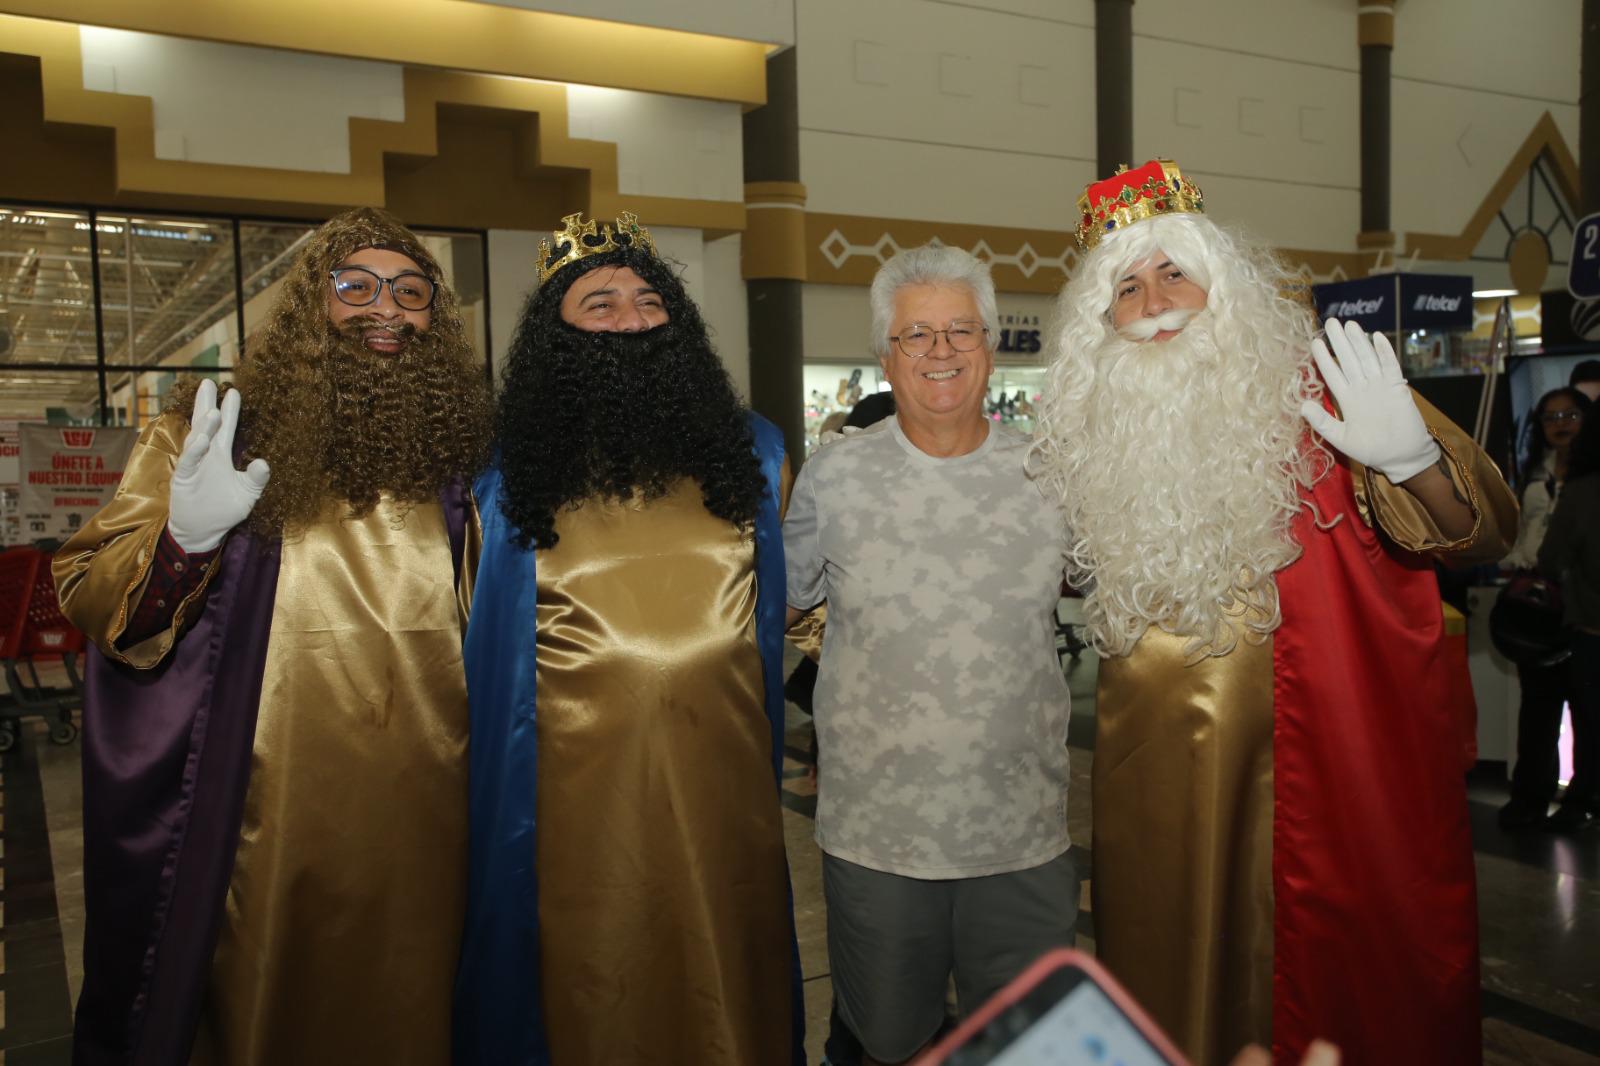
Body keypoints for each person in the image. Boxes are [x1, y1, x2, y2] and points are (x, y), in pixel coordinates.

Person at [1028, 160, 1518, 1066]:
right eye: (1126, 288)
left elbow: (1477, 534)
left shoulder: (1323, 400)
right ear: (1103, 322)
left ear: (1225, 287)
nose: (1155, 303)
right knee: (1168, 981)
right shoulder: (1094, 445)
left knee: (1337, 998)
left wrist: (1411, 463)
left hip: (1325, 781)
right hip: (1154, 780)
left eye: (1174, 272)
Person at [54, 208, 494, 1065]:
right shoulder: (211, 431)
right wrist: (184, 539)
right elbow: (90, 588)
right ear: (308, 307)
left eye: (411, 292)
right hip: (266, 806)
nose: (387, 309)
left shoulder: (466, 456)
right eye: (355, 286)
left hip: (433, 801)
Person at [453, 212, 803, 1065]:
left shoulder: (752, 457)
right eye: (599, 302)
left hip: (723, 790)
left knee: (723, 968)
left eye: (650, 300)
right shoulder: (501, 480)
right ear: (555, 334)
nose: (631, 319)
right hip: (569, 807)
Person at [784, 245, 1076, 1066]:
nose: (940, 351)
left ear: (990, 345)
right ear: (885, 354)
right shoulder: (834, 477)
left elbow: (1134, 592)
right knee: (886, 1042)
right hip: (879, 841)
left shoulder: (1052, 474)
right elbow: (785, 601)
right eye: (917, 335)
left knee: (1029, 1047)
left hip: (1022, 835)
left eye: (960, 330)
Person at [1499, 386, 1592, 829]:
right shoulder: (1532, 473)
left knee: (1587, 712)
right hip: (1538, 604)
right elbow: (1518, 531)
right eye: (1551, 416)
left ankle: (1581, 802)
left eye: (1570, 414)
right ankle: (1530, 798)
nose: (1560, 424)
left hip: (1585, 608)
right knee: (1537, 709)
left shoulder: (1590, 478)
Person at [1538, 406, 1600, 831]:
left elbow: (1551, 558)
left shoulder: (1582, 492)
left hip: (1592, 628)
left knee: (1591, 723)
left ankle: (1582, 801)